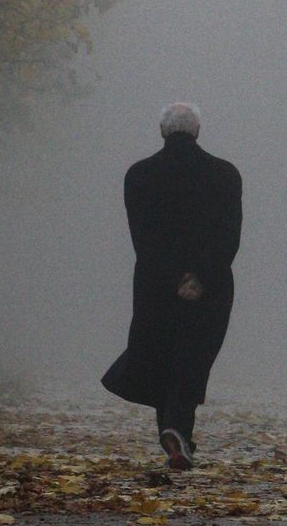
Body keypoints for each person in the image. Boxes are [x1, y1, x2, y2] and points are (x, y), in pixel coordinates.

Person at [102, 102, 242, 470]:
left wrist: (170, 278)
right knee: (194, 356)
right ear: (197, 132)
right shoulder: (226, 175)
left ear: (162, 132)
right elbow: (229, 237)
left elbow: (142, 238)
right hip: (210, 287)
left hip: (155, 283)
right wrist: (200, 278)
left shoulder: (139, 175)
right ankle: (177, 430)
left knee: (160, 352)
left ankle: (174, 432)